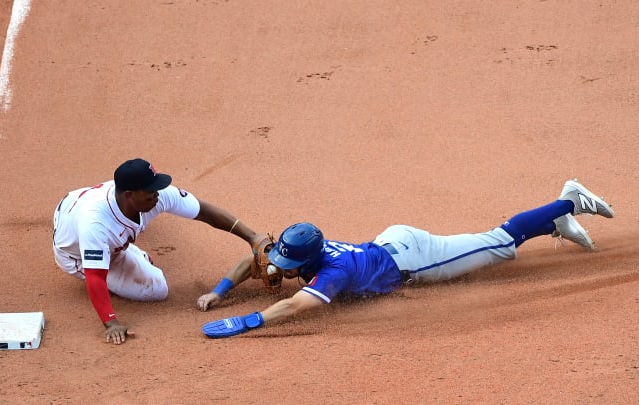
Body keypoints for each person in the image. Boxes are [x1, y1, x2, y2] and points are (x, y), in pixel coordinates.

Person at [198, 179, 614, 338]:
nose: (279, 270)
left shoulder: (333, 271)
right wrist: (221, 291)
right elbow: (253, 260)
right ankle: (554, 224)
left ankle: (568, 201)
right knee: (493, 244)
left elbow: (293, 305)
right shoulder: (300, 250)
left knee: (498, 243)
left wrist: (250, 320)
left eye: (288, 267)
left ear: (305, 259)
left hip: (416, 257)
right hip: (390, 241)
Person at [52, 158, 266, 344]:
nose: (157, 195)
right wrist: (111, 323)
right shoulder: (96, 224)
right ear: (128, 195)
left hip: (75, 203)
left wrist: (253, 237)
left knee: (122, 239)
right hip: (74, 253)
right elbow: (95, 277)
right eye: (149, 192)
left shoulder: (153, 195)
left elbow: (204, 211)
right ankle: (129, 252)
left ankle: (125, 247)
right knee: (155, 290)